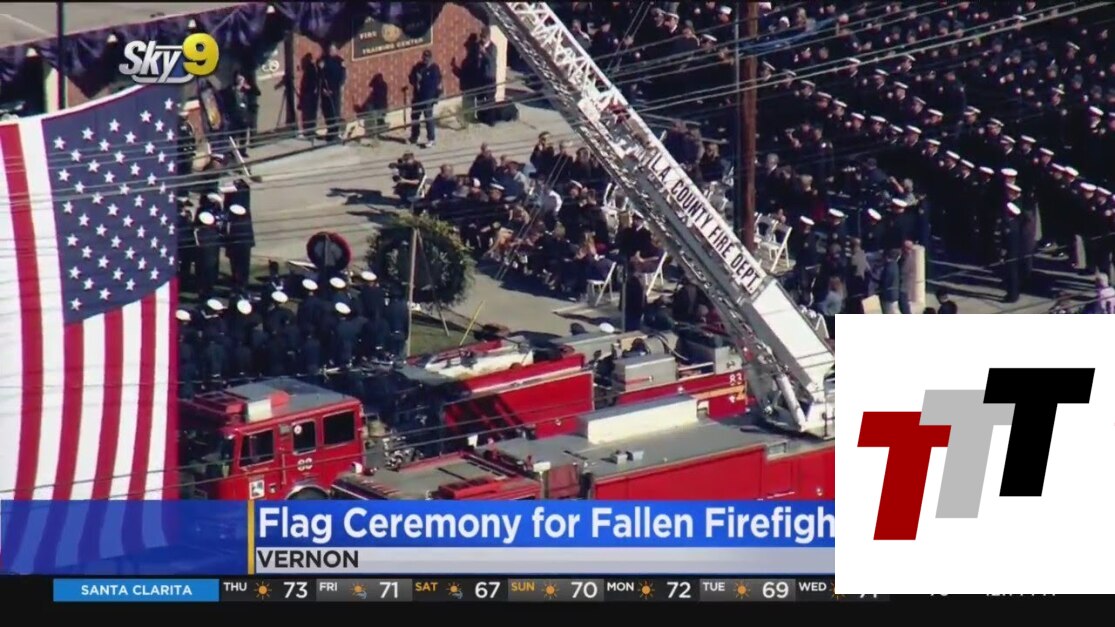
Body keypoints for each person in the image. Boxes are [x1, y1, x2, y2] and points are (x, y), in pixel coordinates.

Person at [408, 50, 443, 147]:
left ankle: (431, 139)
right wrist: (416, 79)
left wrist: (436, 96)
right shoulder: (418, 67)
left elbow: (437, 84)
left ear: (431, 58)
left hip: (428, 98)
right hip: (418, 97)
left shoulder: (434, 68)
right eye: (424, 58)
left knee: (428, 118)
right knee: (415, 117)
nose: (425, 60)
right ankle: (414, 136)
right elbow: (411, 79)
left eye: (427, 58)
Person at [318, 44, 347, 141]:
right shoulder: (323, 60)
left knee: (335, 112)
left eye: (333, 49)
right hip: (325, 91)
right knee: (327, 112)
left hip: (335, 91)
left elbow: (343, 75)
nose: (331, 51)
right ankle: (330, 132)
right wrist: (323, 89)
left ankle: (335, 133)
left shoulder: (339, 61)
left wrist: (341, 85)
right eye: (330, 50)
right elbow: (320, 75)